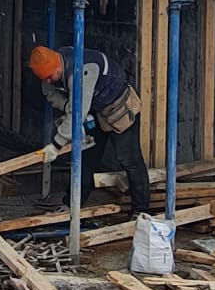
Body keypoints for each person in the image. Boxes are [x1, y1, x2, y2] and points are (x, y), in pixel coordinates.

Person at [28, 43, 151, 217]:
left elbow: (77, 113)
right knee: (86, 158)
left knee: (129, 159)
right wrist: (67, 105)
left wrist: (56, 144)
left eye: (49, 77)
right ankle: (71, 204)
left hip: (119, 106)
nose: (48, 81)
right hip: (96, 110)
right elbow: (50, 94)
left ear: (58, 67)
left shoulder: (82, 70)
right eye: (44, 78)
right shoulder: (52, 68)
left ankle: (141, 210)